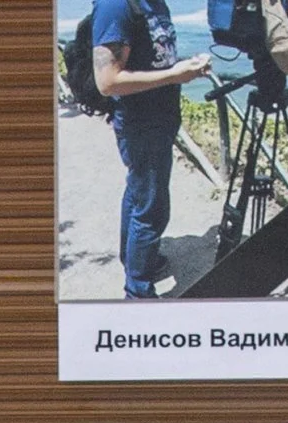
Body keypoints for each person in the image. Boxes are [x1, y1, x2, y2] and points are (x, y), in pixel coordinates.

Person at [89, 0, 210, 298]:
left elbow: (153, 58)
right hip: (141, 125)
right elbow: (108, 81)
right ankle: (138, 293)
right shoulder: (116, 6)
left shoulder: (155, 4)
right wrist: (175, 75)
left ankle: (138, 261)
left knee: (139, 192)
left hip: (161, 119)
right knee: (152, 208)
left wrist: (186, 68)